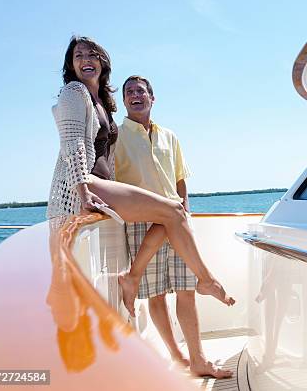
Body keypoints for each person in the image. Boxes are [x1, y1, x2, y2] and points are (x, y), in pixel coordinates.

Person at [47, 36, 234, 311]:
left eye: (91, 54)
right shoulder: (74, 92)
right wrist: (83, 191)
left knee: (173, 212)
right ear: (71, 66)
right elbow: (72, 141)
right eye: (78, 56)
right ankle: (206, 280)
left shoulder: (103, 102)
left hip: (101, 184)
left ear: (102, 62)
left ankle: (137, 278)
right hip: (85, 184)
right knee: (172, 213)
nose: (85, 59)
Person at [115, 75, 232, 378]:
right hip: (141, 222)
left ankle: (199, 359)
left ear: (152, 98)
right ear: (123, 101)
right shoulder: (116, 136)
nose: (134, 95)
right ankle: (177, 355)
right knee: (156, 295)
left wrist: (186, 214)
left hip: (176, 223)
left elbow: (181, 178)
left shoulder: (170, 136)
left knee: (186, 290)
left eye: (140, 91)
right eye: (129, 92)